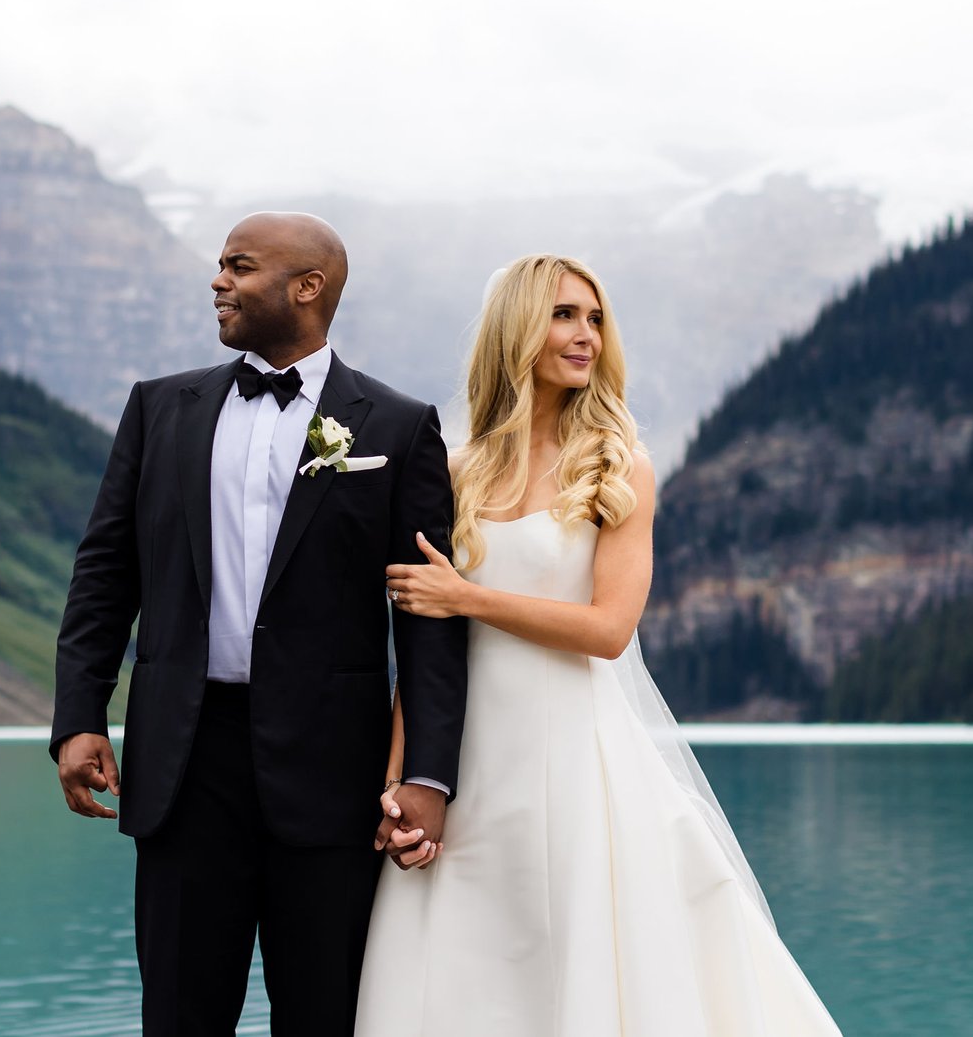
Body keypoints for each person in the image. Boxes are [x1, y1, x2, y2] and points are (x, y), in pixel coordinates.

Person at [358, 254, 843, 1034]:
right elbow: (424, 652)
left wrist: (467, 596)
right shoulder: (455, 472)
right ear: (516, 329)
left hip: (579, 754)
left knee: (585, 967)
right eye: (562, 315)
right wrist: (402, 782)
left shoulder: (619, 469)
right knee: (458, 974)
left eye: (594, 319)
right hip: (469, 762)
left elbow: (609, 629)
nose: (584, 334)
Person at [49, 212, 468, 1036]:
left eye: (238, 266)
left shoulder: (396, 426)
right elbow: (105, 573)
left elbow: (428, 619)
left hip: (333, 776)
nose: (218, 281)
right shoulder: (158, 408)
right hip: (182, 763)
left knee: (324, 1016)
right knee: (179, 1014)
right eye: (220, 266)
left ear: (305, 286)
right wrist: (78, 716)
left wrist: (427, 772)